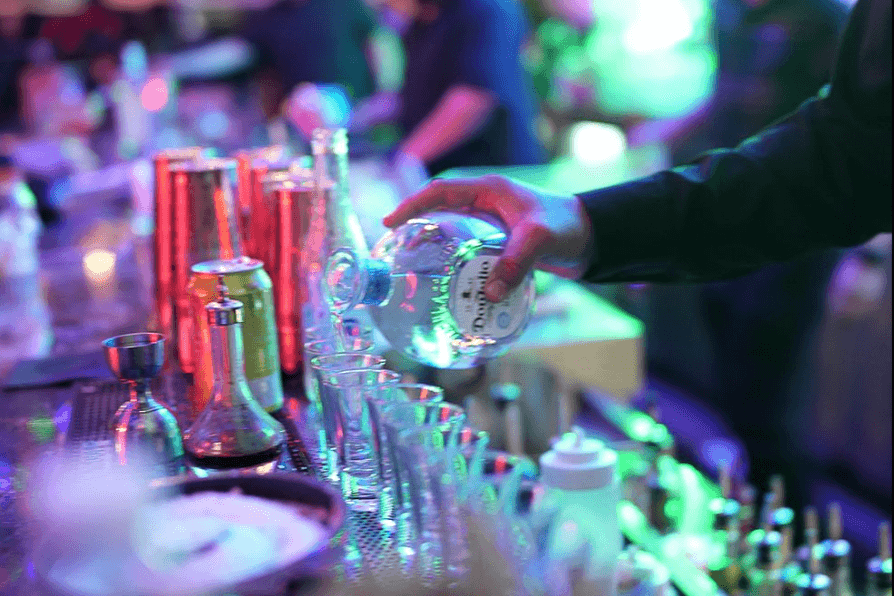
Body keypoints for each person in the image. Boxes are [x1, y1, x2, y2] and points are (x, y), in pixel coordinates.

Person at [384, 0, 890, 300]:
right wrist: (590, 222)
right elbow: (844, 152)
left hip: (793, 239)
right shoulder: (731, 12)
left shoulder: (824, 15)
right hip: (751, 207)